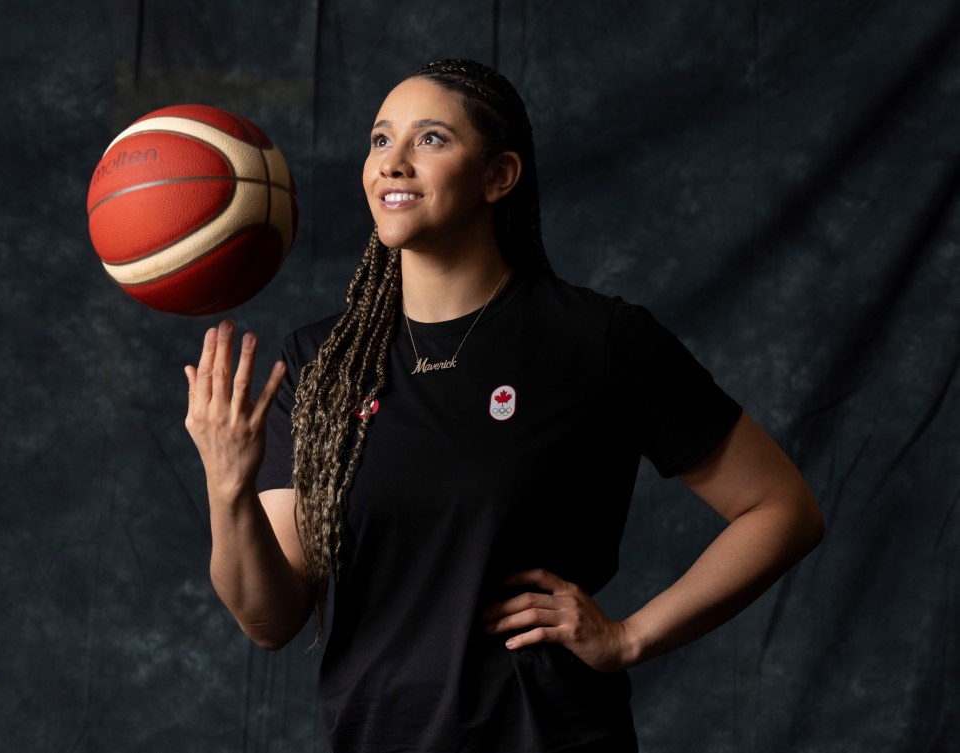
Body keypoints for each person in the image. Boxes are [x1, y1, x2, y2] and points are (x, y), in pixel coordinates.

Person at [183, 59, 825, 753]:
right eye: (379, 140)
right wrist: (228, 487)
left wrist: (630, 635)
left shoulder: (596, 340)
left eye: (430, 139)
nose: (392, 163)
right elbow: (270, 619)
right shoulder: (323, 365)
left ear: (499, 176)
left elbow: (782, 510)